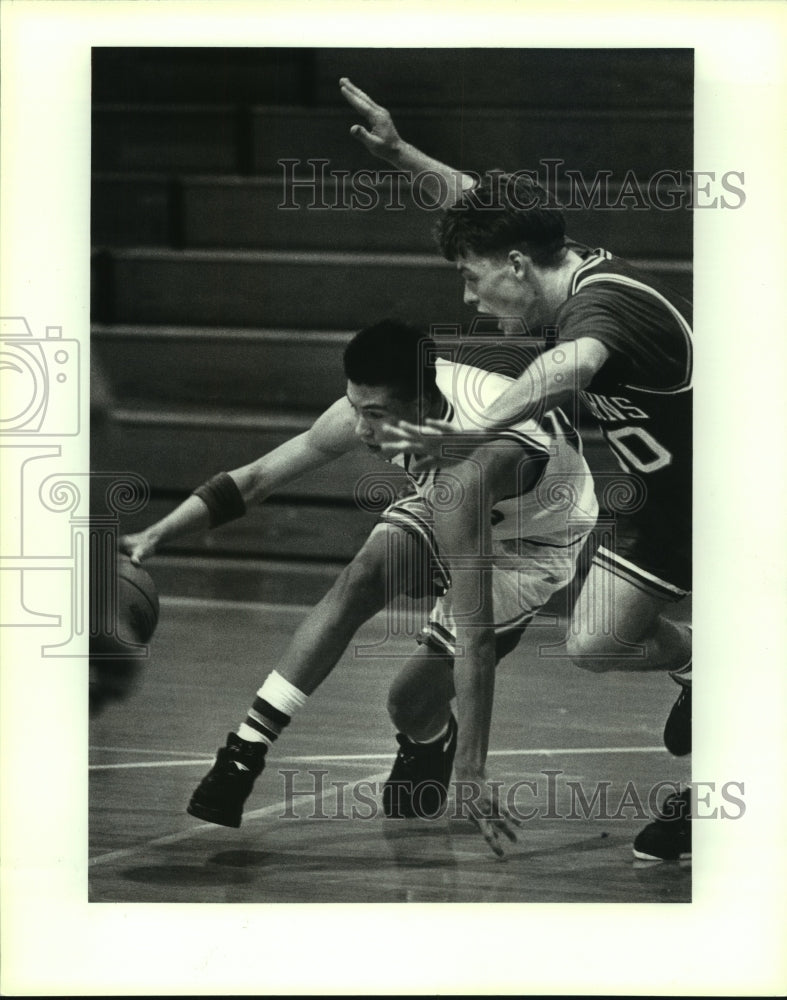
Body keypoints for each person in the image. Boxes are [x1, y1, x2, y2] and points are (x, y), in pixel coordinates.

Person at [340, 78, 692, 861]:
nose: (469, 297)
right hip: (662, 508)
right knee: (594, 643)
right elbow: (474, 200)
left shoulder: (604, 305)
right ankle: (701, 667)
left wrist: (470, 431)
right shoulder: (547, 262)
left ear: (515, 266)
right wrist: (400, 154)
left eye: (472, 277)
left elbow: (570, 367)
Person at [121, 319, 597, 857]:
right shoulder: (372, 411)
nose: (362, 429)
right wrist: (156, 535)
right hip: (453, 503)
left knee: (407, 703)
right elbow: (256, 479)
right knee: (362, 576)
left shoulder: (478, 458)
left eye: (375, 415)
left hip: (531, 543)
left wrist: (470, 767)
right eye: (355, 407)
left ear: (421, 404)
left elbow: (476, 640)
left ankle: (432, 738)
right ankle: (243, 752)